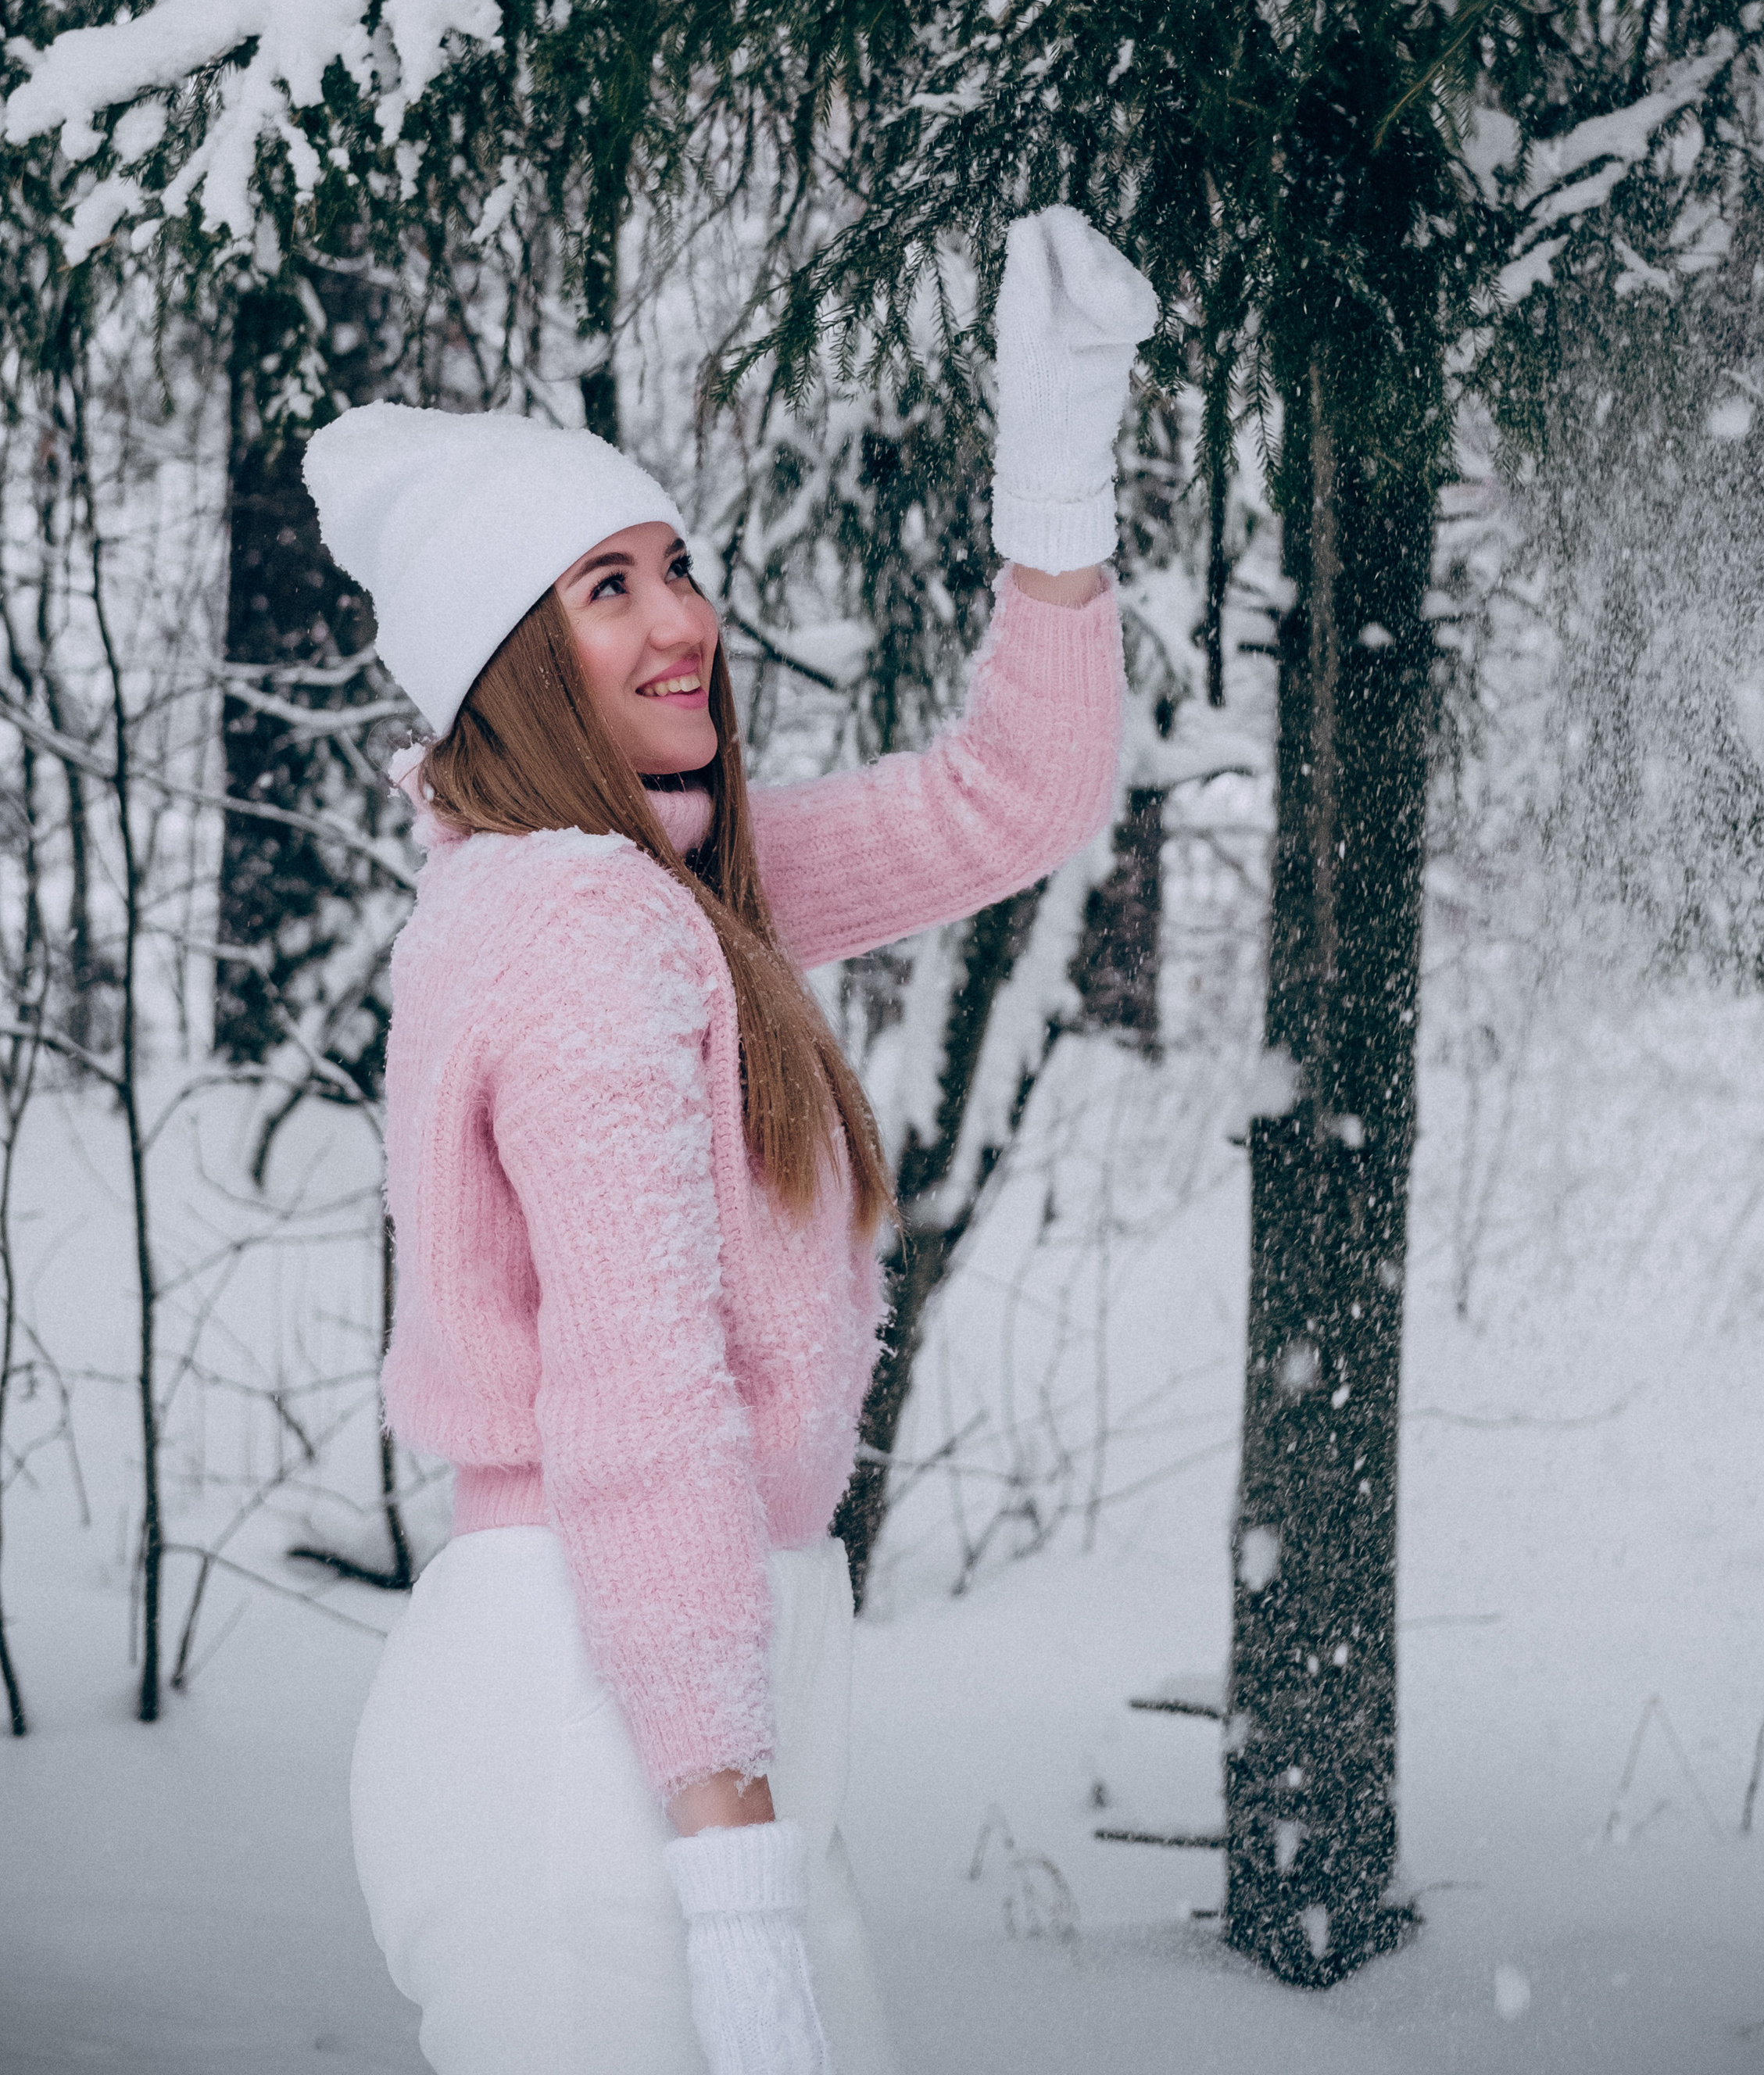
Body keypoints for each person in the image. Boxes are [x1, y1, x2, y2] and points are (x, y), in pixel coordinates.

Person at [305, 208, 1158, 2075]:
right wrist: (730, 1870)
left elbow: (1004, 802)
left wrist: (1054, 458)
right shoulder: (588, 928)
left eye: (674, 563)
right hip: (595, 1738)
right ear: (509, 660)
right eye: (606, 587)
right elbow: (637, 1394)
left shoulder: (657, 897)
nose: (684, 615)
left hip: (660, 1722)